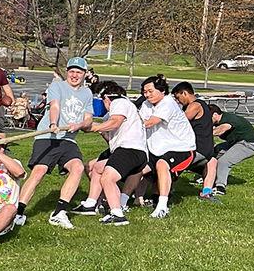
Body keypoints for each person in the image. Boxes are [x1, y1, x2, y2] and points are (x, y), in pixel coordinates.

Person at [16, 57, 93, 229]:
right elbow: (55, 107)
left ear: (84, 74)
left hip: (68, 139)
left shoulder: (87, 93)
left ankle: (59, 212)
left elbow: (88, 119)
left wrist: (79, 125)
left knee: (78, 167)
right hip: (48, 137)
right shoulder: (57, 86)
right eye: (72, 71)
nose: (74, 75)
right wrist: (53, 124)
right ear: (67, 72)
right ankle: (18, 212)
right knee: (39, 171)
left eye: (78, 72)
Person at [82, 81, 144, 226]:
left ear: (106, 98)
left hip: (129, 151)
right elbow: (111, 135)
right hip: (131, 152)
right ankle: (90, 205)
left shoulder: (119, 103)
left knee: (107, 179)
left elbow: (115, 123)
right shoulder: (126, 107)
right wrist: (100, 130)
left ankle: (117, 214)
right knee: (97, 168)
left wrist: (93, 127)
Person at [137, 76, 196, 219]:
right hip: (157, 148)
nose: (147, 95)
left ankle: (162, 207)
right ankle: (122, 202)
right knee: (135, 167)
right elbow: (140, 119)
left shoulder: (168, 103)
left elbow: (150, 122)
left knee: (162, 164)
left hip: (182, 148)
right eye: (145, 92)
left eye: (150, 91)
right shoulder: (147, 104)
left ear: (162, 90)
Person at [170, 82, 219, 200]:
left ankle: (164, 191)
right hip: (207, 150)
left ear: (184, 93)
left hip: (196, 149)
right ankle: (207, 191)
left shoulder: (195, 105)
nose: (178, 101)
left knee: (171, 166)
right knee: (212, 163)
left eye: (178, 97)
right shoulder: (204, 105)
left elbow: (181, 122)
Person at [208, 104, 254, 196]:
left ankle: (220, 187)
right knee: (212, 152)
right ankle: (208, 177)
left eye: (208, 117)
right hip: (235, 143)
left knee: (224, 161)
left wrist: (205, 134)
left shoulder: (228, 119)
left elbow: (222, 129)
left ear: (215, 115)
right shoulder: (219, 120)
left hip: (248, 144)